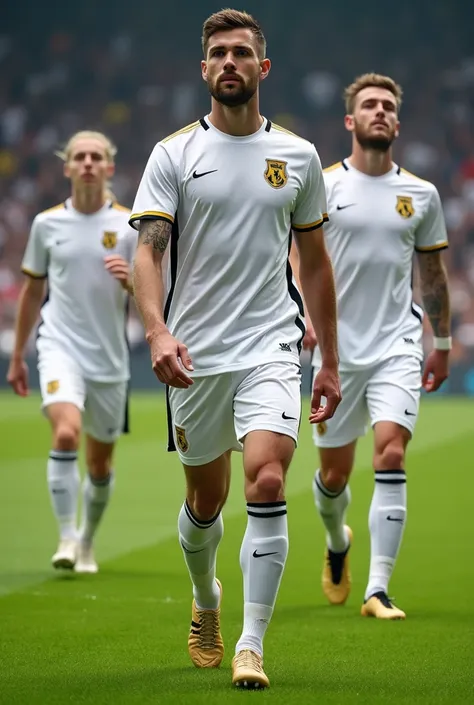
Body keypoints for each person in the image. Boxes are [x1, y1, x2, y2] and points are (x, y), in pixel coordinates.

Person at [130, 8, 341, 690]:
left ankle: (251, 643)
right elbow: (146, 252)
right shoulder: (173, 154)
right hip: (193, 355)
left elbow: (314, 264)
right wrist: (157, 331)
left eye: (241, 52)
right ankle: (207, 600)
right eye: (218, 52)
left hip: (271, 345)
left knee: (268, 479)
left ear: (262, 67)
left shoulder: (299, 157)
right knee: (204, 505)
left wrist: (329, 359)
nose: (229, 61)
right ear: (203, 69)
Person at [292, 73, 451, 620]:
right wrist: (304, 314)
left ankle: (377, 590)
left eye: (387, 105)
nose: (379, 111)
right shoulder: (324, 185)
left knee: (391, 451)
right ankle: (338, 541)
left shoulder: (421, 195)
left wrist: (444, 342)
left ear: (397, 122)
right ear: (350, 121)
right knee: (333, 475)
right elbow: (298, 256)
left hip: (397, 346)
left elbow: (431, 274)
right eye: (369, 105)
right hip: (335, 353)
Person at [7, 131, 136, 574]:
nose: (86, 163)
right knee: (65, 434)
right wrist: (19, 354)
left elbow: (157, 292)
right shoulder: (47, 224)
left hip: (110, 360)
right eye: (79, 157)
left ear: (108, 167)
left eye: (95, 157)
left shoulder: (128, 225)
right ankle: (65, 537)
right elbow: (32, 290)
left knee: (100, 463)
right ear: (66, 168)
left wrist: (132, 282)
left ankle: (86, 541)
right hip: (59, 344)